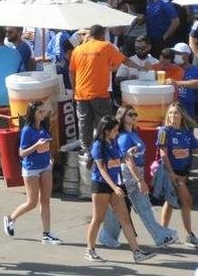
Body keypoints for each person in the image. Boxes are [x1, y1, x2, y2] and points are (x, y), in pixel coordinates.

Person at [98, 105, 176, 248]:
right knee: (121, 207)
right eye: (130, 115)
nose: (134, 117)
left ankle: (160, 237)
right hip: (128, 174)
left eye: (135, 114)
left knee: (142, 207)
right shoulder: (124, 137)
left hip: (136, 171)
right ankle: (107, 235)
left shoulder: (133, 133)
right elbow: (128, 160)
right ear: (122, 117)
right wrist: (140, 180)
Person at [85, 116, 154, 263]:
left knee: (125, 219)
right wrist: (114, 187)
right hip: (101, 186)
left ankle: (137, 252)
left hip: (116, 185)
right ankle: (90, 250)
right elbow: (102, 169)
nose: (117, 133)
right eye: (115, 130)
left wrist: (128, 154)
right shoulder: (98, 145)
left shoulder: (114, 141)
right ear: (106, 130)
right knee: (98, 219)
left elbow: (118, 159)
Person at [3, 101, 60, 244]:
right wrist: (36, 146)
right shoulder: (27, 130)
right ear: (33, 113)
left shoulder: (44, 126)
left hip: (45, 166)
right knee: (32, 202)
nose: (43, 114)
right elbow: (22, 153)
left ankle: (46, 233)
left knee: (45, 200)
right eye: (40, 112)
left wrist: (50, 158)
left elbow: (47, 144)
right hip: (31, 168)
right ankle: (11, 218)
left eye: (43, 111)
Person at [70, 25, 135, 148]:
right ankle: (104, 147)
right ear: (103, 34)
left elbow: (71, 72)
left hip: (81, 94)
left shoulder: (77, 49)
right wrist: (140, 67)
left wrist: (74, 90)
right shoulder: (105, 46)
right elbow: (125, 61)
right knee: (104, 122)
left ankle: (86, 150)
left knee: (84, 123)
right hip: (99, 94)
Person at [158, 102, 198, 245]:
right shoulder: (164, 131)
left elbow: (195, 149)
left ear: (182, 115)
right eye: (170, 113)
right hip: (172, 173)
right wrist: (171, 173)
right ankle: (189, 235)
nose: (172, 115)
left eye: (176, 113)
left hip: (184, 172)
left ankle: (163, 234)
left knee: (170, 202)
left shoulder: (187, 132)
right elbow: (163, 153)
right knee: (187, 201)